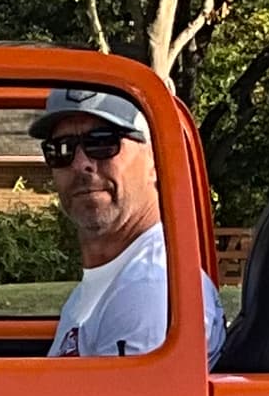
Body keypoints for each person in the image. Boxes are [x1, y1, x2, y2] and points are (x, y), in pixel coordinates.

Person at [32, 89, 223, 363]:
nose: (81, 164)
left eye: (102, 142)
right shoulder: (113, 282)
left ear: (156, 160)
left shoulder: (148, 290)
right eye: (61, 149)